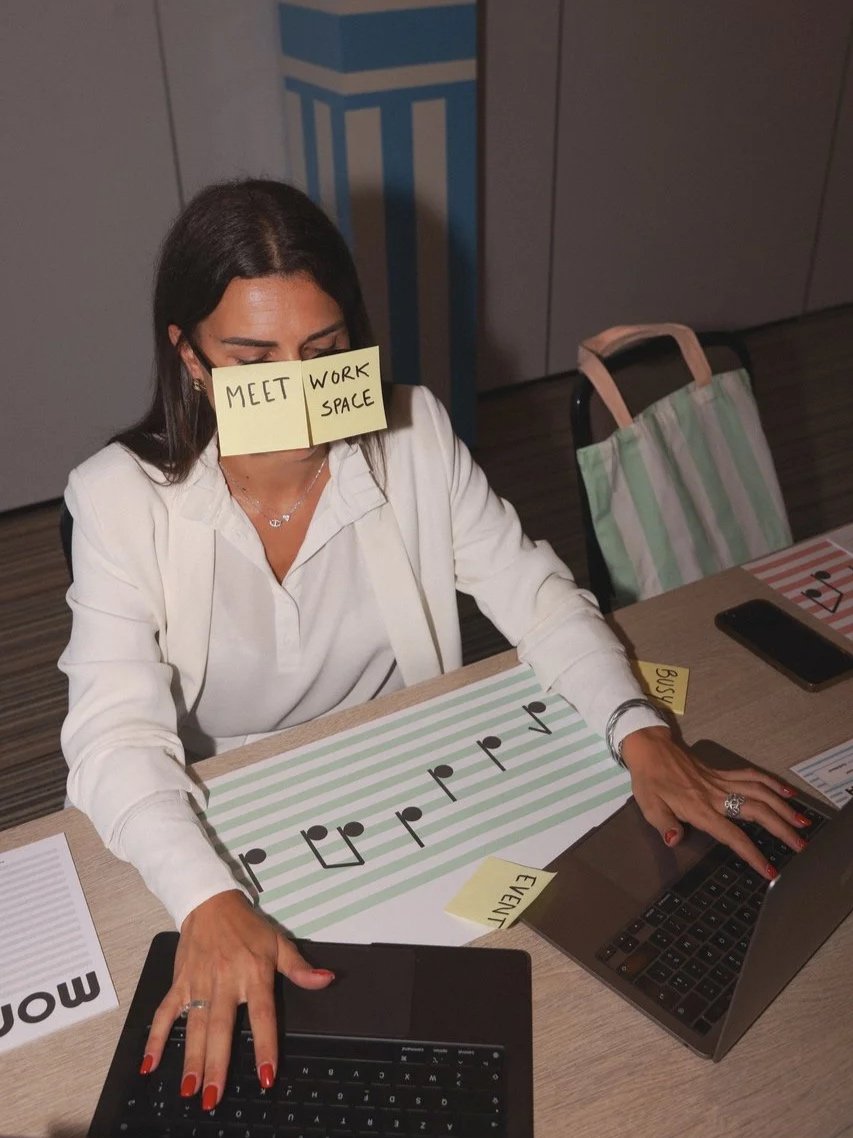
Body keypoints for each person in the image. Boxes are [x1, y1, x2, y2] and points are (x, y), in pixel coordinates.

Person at [60, 180, 808, 1111]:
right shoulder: (116, 499)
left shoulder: (412, 435)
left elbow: (537, 597)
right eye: (254, 360)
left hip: (412, 778)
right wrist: (204, 899)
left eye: (322, 352)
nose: (297, 390)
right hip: (234, 808)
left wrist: (640, 731)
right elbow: (111, 740)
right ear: (189, 356)